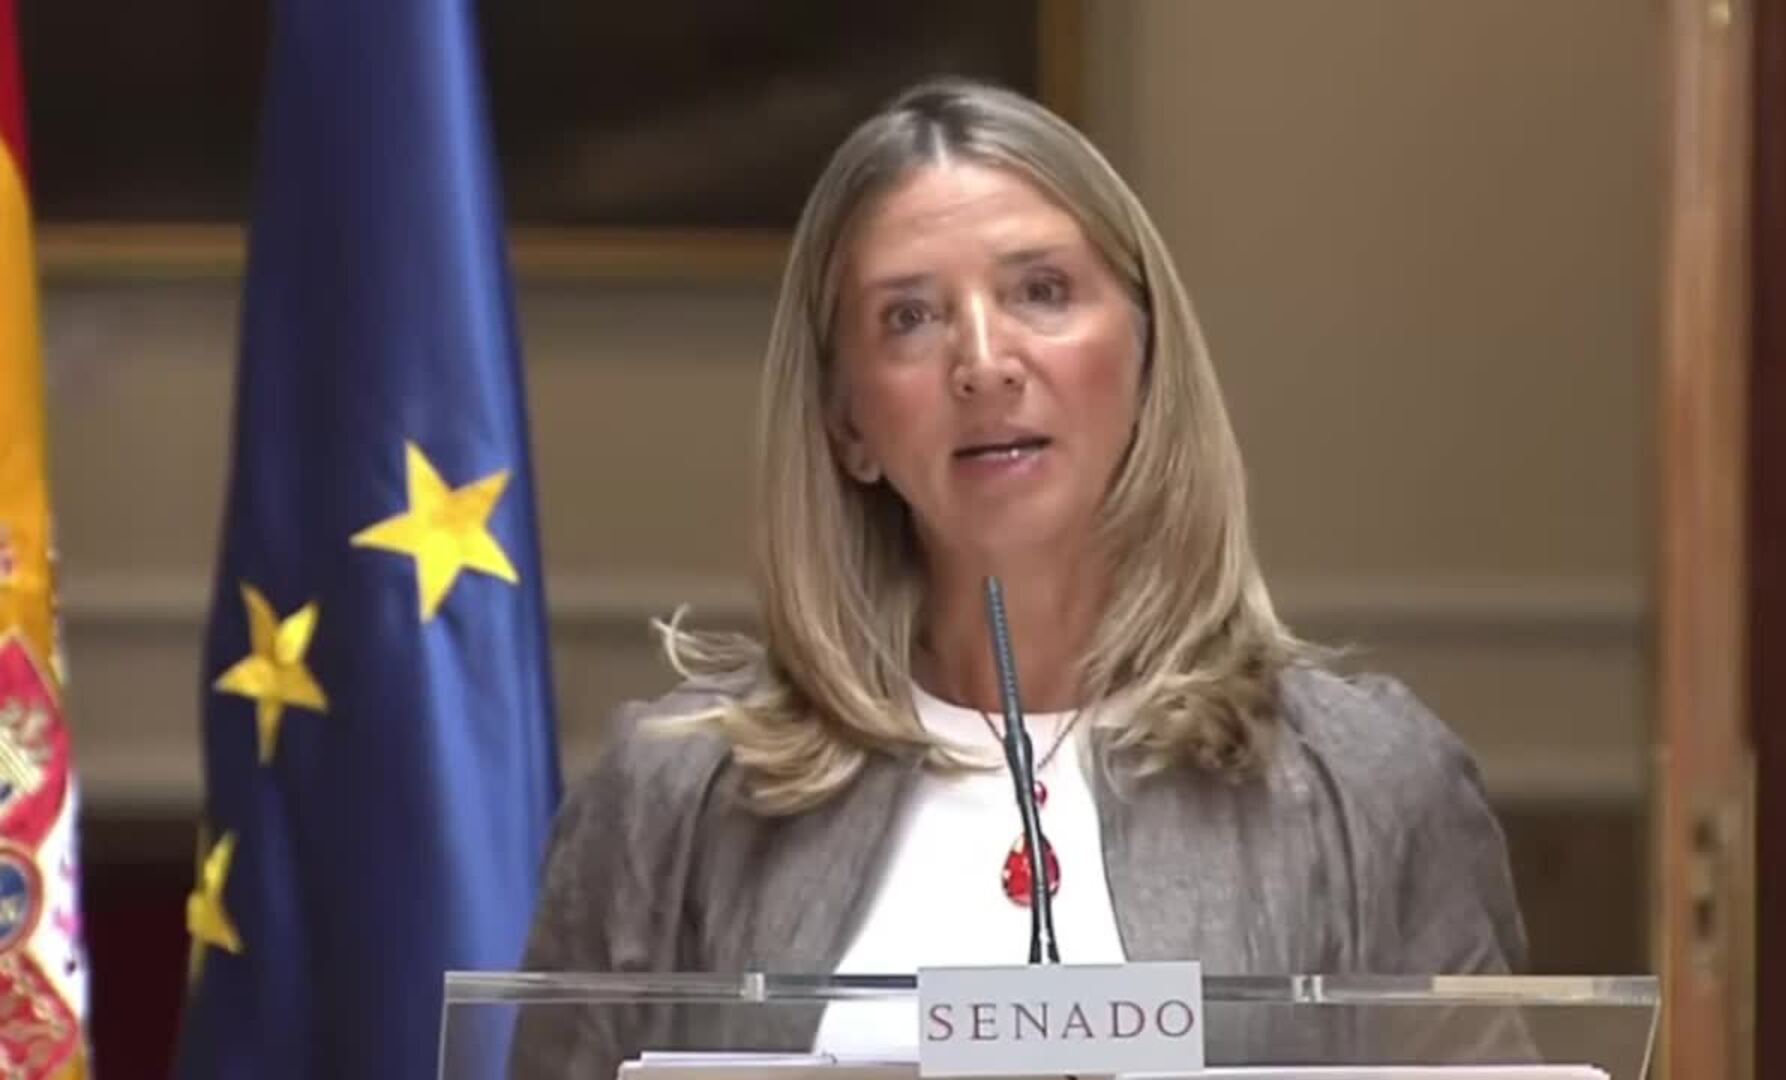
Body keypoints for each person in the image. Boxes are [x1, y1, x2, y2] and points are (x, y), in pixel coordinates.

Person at [510, 77, 1528, 1076]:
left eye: (1041, 292)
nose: (984, 362)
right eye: (909, 317)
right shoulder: (677, 799)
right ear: (848, 423)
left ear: (1147, 359)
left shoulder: (1368, 784)